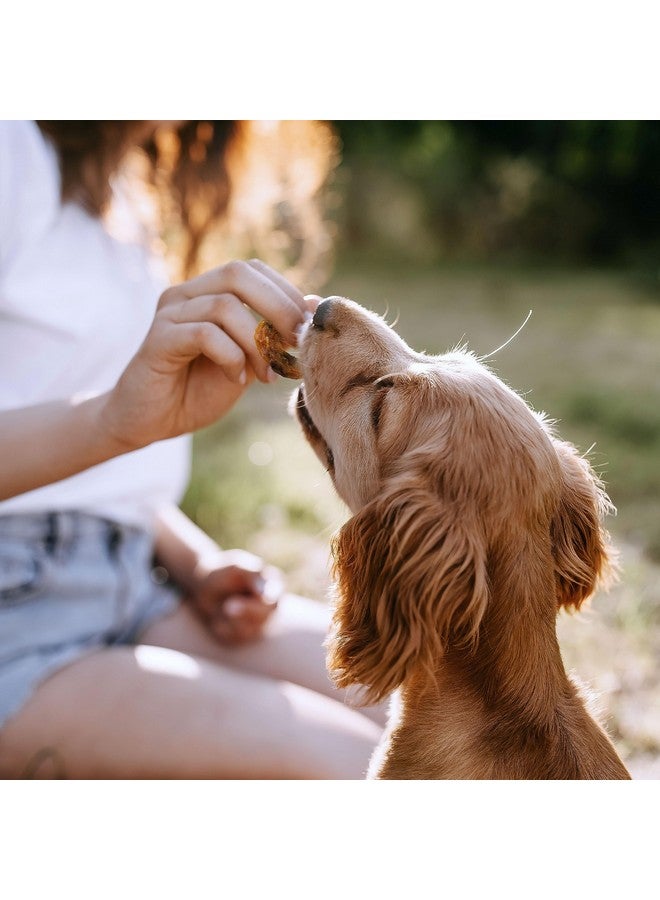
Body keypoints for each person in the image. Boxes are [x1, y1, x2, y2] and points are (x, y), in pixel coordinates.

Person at [0, 120, 383, 778]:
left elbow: (87, 481)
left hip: (131, 586)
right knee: (357, 768)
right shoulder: (14, 146)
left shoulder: (128, 195)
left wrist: (195, 562)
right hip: (17, 617)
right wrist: (114, 421)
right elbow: (97, 429)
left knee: (448, 715)